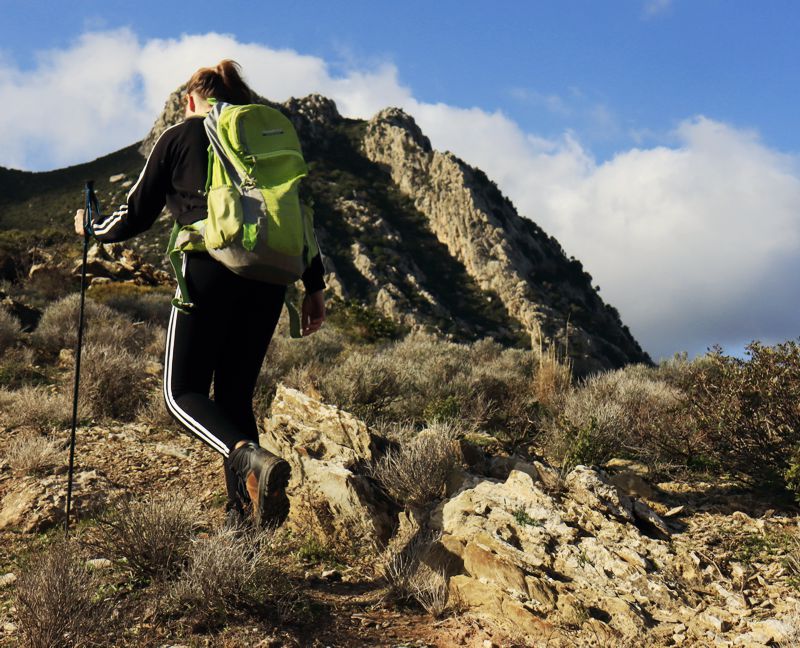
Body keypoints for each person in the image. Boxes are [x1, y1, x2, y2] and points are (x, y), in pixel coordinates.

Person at [74, 60, 326, 528]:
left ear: (192, 98)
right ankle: (243, 522)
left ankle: (245, 456)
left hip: (209, 268)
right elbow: (297, 213)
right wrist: (315, 287)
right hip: (271, 279)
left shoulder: (180, 136)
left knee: (180, 391)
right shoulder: (260, 143)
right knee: (233, 394)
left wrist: (92, 227)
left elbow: (136, 214)